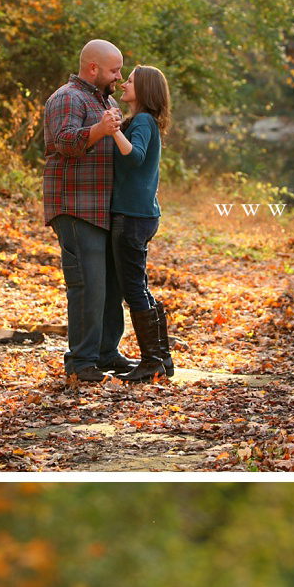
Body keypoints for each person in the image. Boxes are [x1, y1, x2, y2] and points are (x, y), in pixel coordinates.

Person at [43, 40, 133, 383]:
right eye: (114, 70)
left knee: (110, 285)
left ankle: (106, 352)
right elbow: (63, 141)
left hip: (103, 207)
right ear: (92, 68)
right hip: (76, 206)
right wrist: (100, 130)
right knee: (88, 285)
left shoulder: (104, 100)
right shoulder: (67, 97)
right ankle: (81, 362)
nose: (119, 76)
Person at [109, 65, 174, 382]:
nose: (123, 83)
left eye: (130, 81)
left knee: (134, 290)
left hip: (132, 216)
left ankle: (151, 361)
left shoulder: (143, 121)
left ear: (144, 89)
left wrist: (113, 131)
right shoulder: (141, 121)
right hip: (140, 213)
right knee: (140, 287)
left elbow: (134, 157)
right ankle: (161, 358)